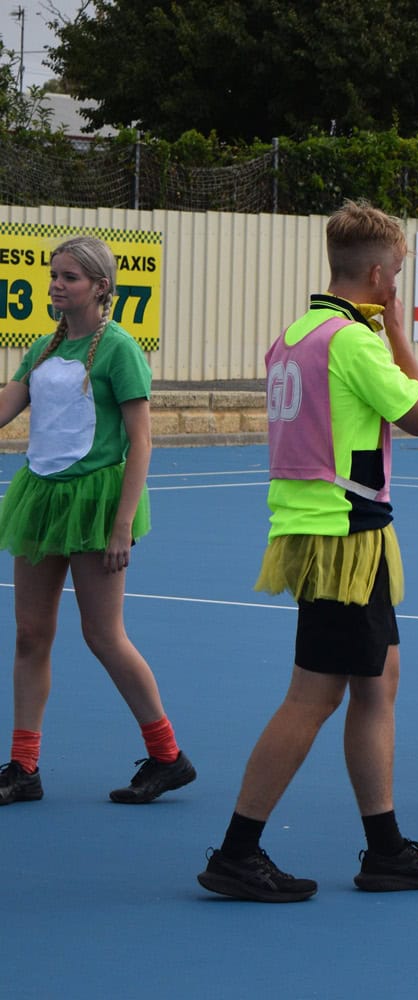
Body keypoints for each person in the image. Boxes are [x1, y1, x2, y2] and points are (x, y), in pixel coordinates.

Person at [197, 200, 418, 902]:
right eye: (396, 275)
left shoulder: (295, 334)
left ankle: (386, 847)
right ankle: (238, 850)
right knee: (312, 696)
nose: (396, 285)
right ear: (377, 275)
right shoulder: (354, 341)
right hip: (345, 531)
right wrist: (397, 331)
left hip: (316, 524)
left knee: (378, 680)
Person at [0, 235, 195, 808]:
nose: (56, 285)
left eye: (70, 277)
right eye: (54, 275)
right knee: (31, 634)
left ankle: (168, 756)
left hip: (97, 506)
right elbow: (5, 407)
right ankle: (24, 767)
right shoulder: (41, 349)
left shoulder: (120, 350)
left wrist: (121, 525)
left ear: (100, 286)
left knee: (103, 635)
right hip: (41, 500)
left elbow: (141, 443)